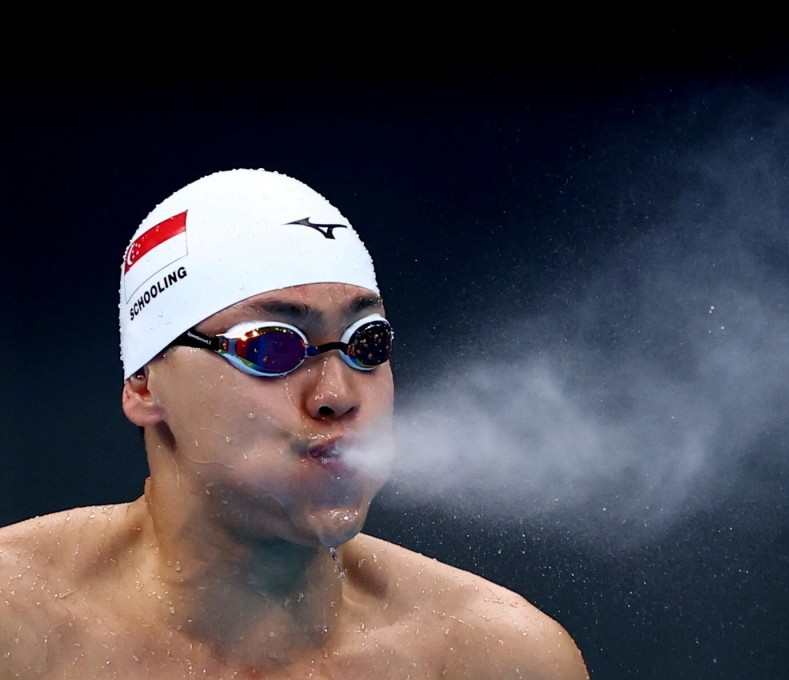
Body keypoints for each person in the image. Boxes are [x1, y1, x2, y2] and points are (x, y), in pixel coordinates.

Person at [0, 169, 589, 679]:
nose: (336, 394)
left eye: (368, 343)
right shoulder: (19, 628)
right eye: (272, 348)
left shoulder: (497, 659)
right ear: (145, 383)